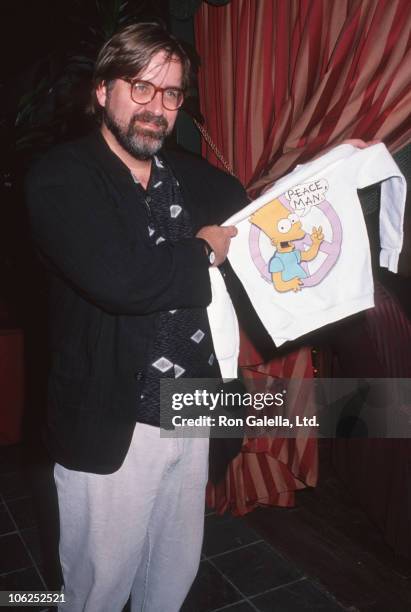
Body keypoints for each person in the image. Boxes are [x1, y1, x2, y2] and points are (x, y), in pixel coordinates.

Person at [25, 22, 248, 612]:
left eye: (171, 93)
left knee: (172, 575)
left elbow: (253, 206)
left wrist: (324, 176)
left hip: (192, 408)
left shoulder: (187, 172)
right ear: (102, 90)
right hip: (113, 418)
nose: (157, 107)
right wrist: (202, 249)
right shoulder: (63, 176)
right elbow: (123, 279)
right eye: (140, 88)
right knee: (96, 589)